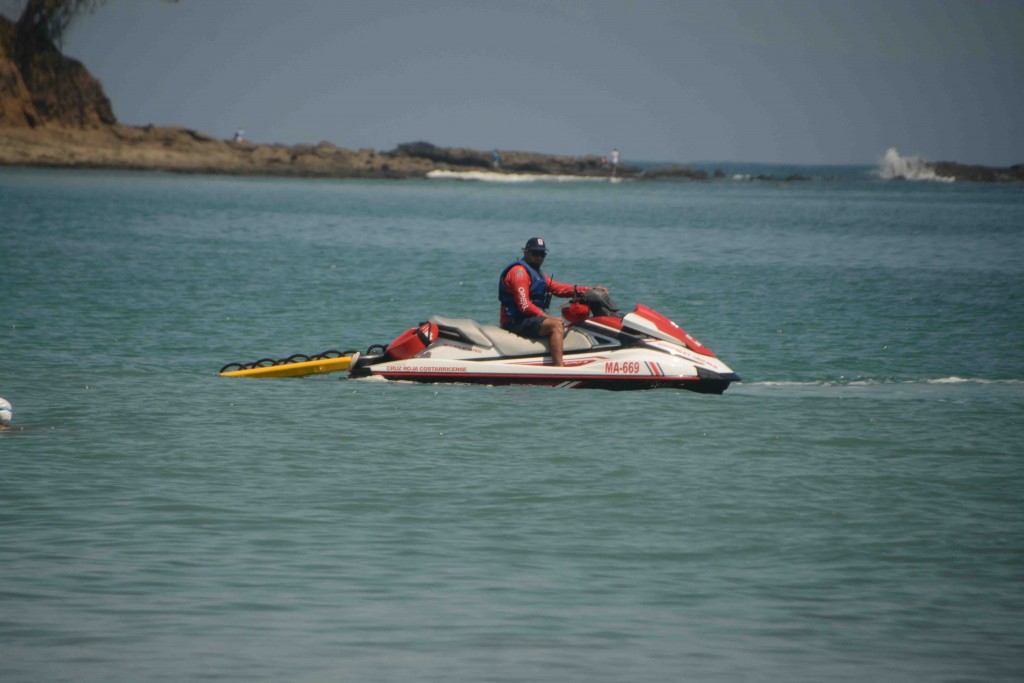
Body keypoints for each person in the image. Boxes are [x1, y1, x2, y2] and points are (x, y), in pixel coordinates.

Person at [498, 237, 608, 367]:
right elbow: (524, 305)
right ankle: (559, 369)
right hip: (515, 321)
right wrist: (547, 317)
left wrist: (588, 290)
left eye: (542, 254)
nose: (539, 257)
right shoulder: (519, 273)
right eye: (535, 253)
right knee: (556, 325)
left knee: (567, 325)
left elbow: (558, 288)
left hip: (529, 318)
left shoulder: (536, 272)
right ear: (526, 252)